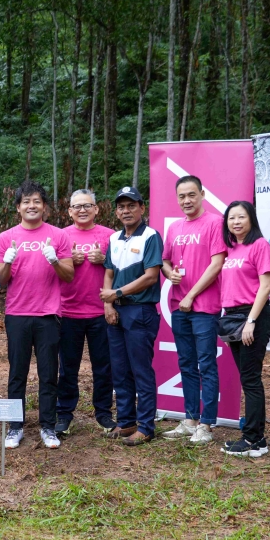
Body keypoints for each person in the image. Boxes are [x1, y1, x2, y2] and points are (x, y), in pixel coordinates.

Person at [0, 180, 74, 450]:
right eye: (26, 201)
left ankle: (48, 427)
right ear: (18, 207)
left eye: (37, 201)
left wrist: (53, 259)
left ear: (45, 208)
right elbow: (1, 281)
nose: (32, 205)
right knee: (17, 372)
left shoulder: (59, 236)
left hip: (48, 314)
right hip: (17, 313)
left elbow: (69, 275)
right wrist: (8, 261)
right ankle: (15, 427)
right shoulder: (7, 237)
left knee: (49, 372)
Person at [161, 175, 227, 444]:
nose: (186, 200)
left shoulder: (215, 223)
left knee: (206, 364)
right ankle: (190, 420)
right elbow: (164, 261)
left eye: (191, 195)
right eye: (181, 196)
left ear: (202, 194)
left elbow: (217, 263)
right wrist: (170, 275)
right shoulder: (175, 227)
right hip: (179, 307)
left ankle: (207, 425)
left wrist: (191, 294)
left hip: (204, 307)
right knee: (186, 364)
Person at [99, 187, 164, 446]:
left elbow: (150, 276)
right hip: (117, 310)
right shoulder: (114, 239)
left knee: (141, 371)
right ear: (116, 211)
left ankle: (146, 426)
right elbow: (108, 273)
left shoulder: (150, 236)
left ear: (142, 208)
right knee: (120, 370)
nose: (126, 211)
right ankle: (127, 421)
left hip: (140, 311)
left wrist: (115, 293)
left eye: (131, 205)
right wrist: (109, 305)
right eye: (121, 207)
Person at [56, 189, 116, 437]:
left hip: (100, 311)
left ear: (96, 209)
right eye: (77, 206)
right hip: (67, 310)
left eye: (87, 206)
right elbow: (50, 269)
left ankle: (103, 413)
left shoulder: (110, 236)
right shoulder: (60, 236)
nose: (82, 210)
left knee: (103, 367)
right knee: (67, 368)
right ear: (69, 211)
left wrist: (105, 259)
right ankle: (64, 415)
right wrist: (69, 260)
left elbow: (122, 270)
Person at [218, 201, 270, 457]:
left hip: (252, 317)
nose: (236, 222)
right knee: (247, 377)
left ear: (251, 219)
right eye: (231, 218)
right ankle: (256, 438)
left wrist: (250, 321)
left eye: (241, 217)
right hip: (232, 318)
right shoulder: (230, 249)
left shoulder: (259, 245)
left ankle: (253, 439)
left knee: (251, 379)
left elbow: (265, 287)